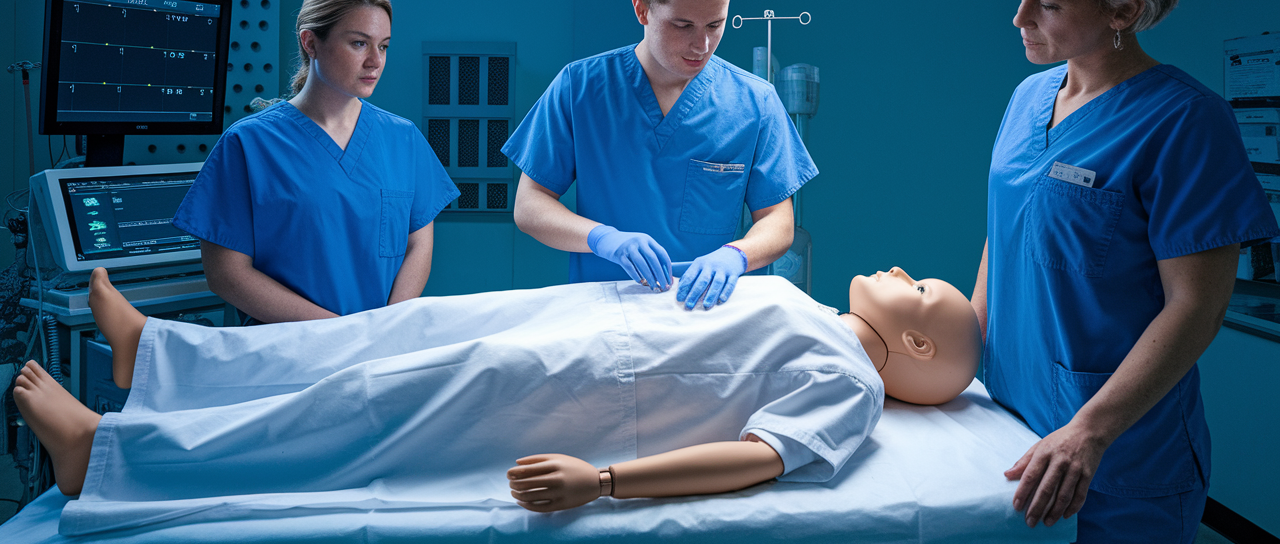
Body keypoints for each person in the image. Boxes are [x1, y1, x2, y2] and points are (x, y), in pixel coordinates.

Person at [13, 265, 978, 531]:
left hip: (580, 388)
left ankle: (108, 458)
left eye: (923, 286)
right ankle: (166, 361)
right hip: (574, 322)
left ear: (919, 342)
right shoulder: (805, 300)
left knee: (370, 399)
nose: (906, 269)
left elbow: (760, 460)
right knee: (383, 334)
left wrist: (605, 481)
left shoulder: (849, 384)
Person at [972, 0, 1280, 543]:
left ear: (1124, 9)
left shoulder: (1186, 121)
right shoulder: (1030, 95)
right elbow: (1008, 231)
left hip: (1115, 446)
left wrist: (1092, 430)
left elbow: (1196, 305)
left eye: (1047, 4)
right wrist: (962, 354)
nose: (1018, 17)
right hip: (1007, 414)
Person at [502, 0, 817, 310]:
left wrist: (737, 254)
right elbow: (530, 205)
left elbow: (779, 222)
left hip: (704, 312)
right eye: (682, 26)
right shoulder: (580, 88)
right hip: (604, 311)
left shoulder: (755, 102)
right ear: (642, 10)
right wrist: (603, 238)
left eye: (715, 25)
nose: (701, 45)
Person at [172, 0, 458, 327]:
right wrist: (337, 334)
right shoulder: (249, 144)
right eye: (358, 43)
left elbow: (418, 246)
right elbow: (227, 275)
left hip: (380, 346)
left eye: (383, 46)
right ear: (311, 42)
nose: (374, 61)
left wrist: (383, 331)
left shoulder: (403, 139)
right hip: (290, 349)